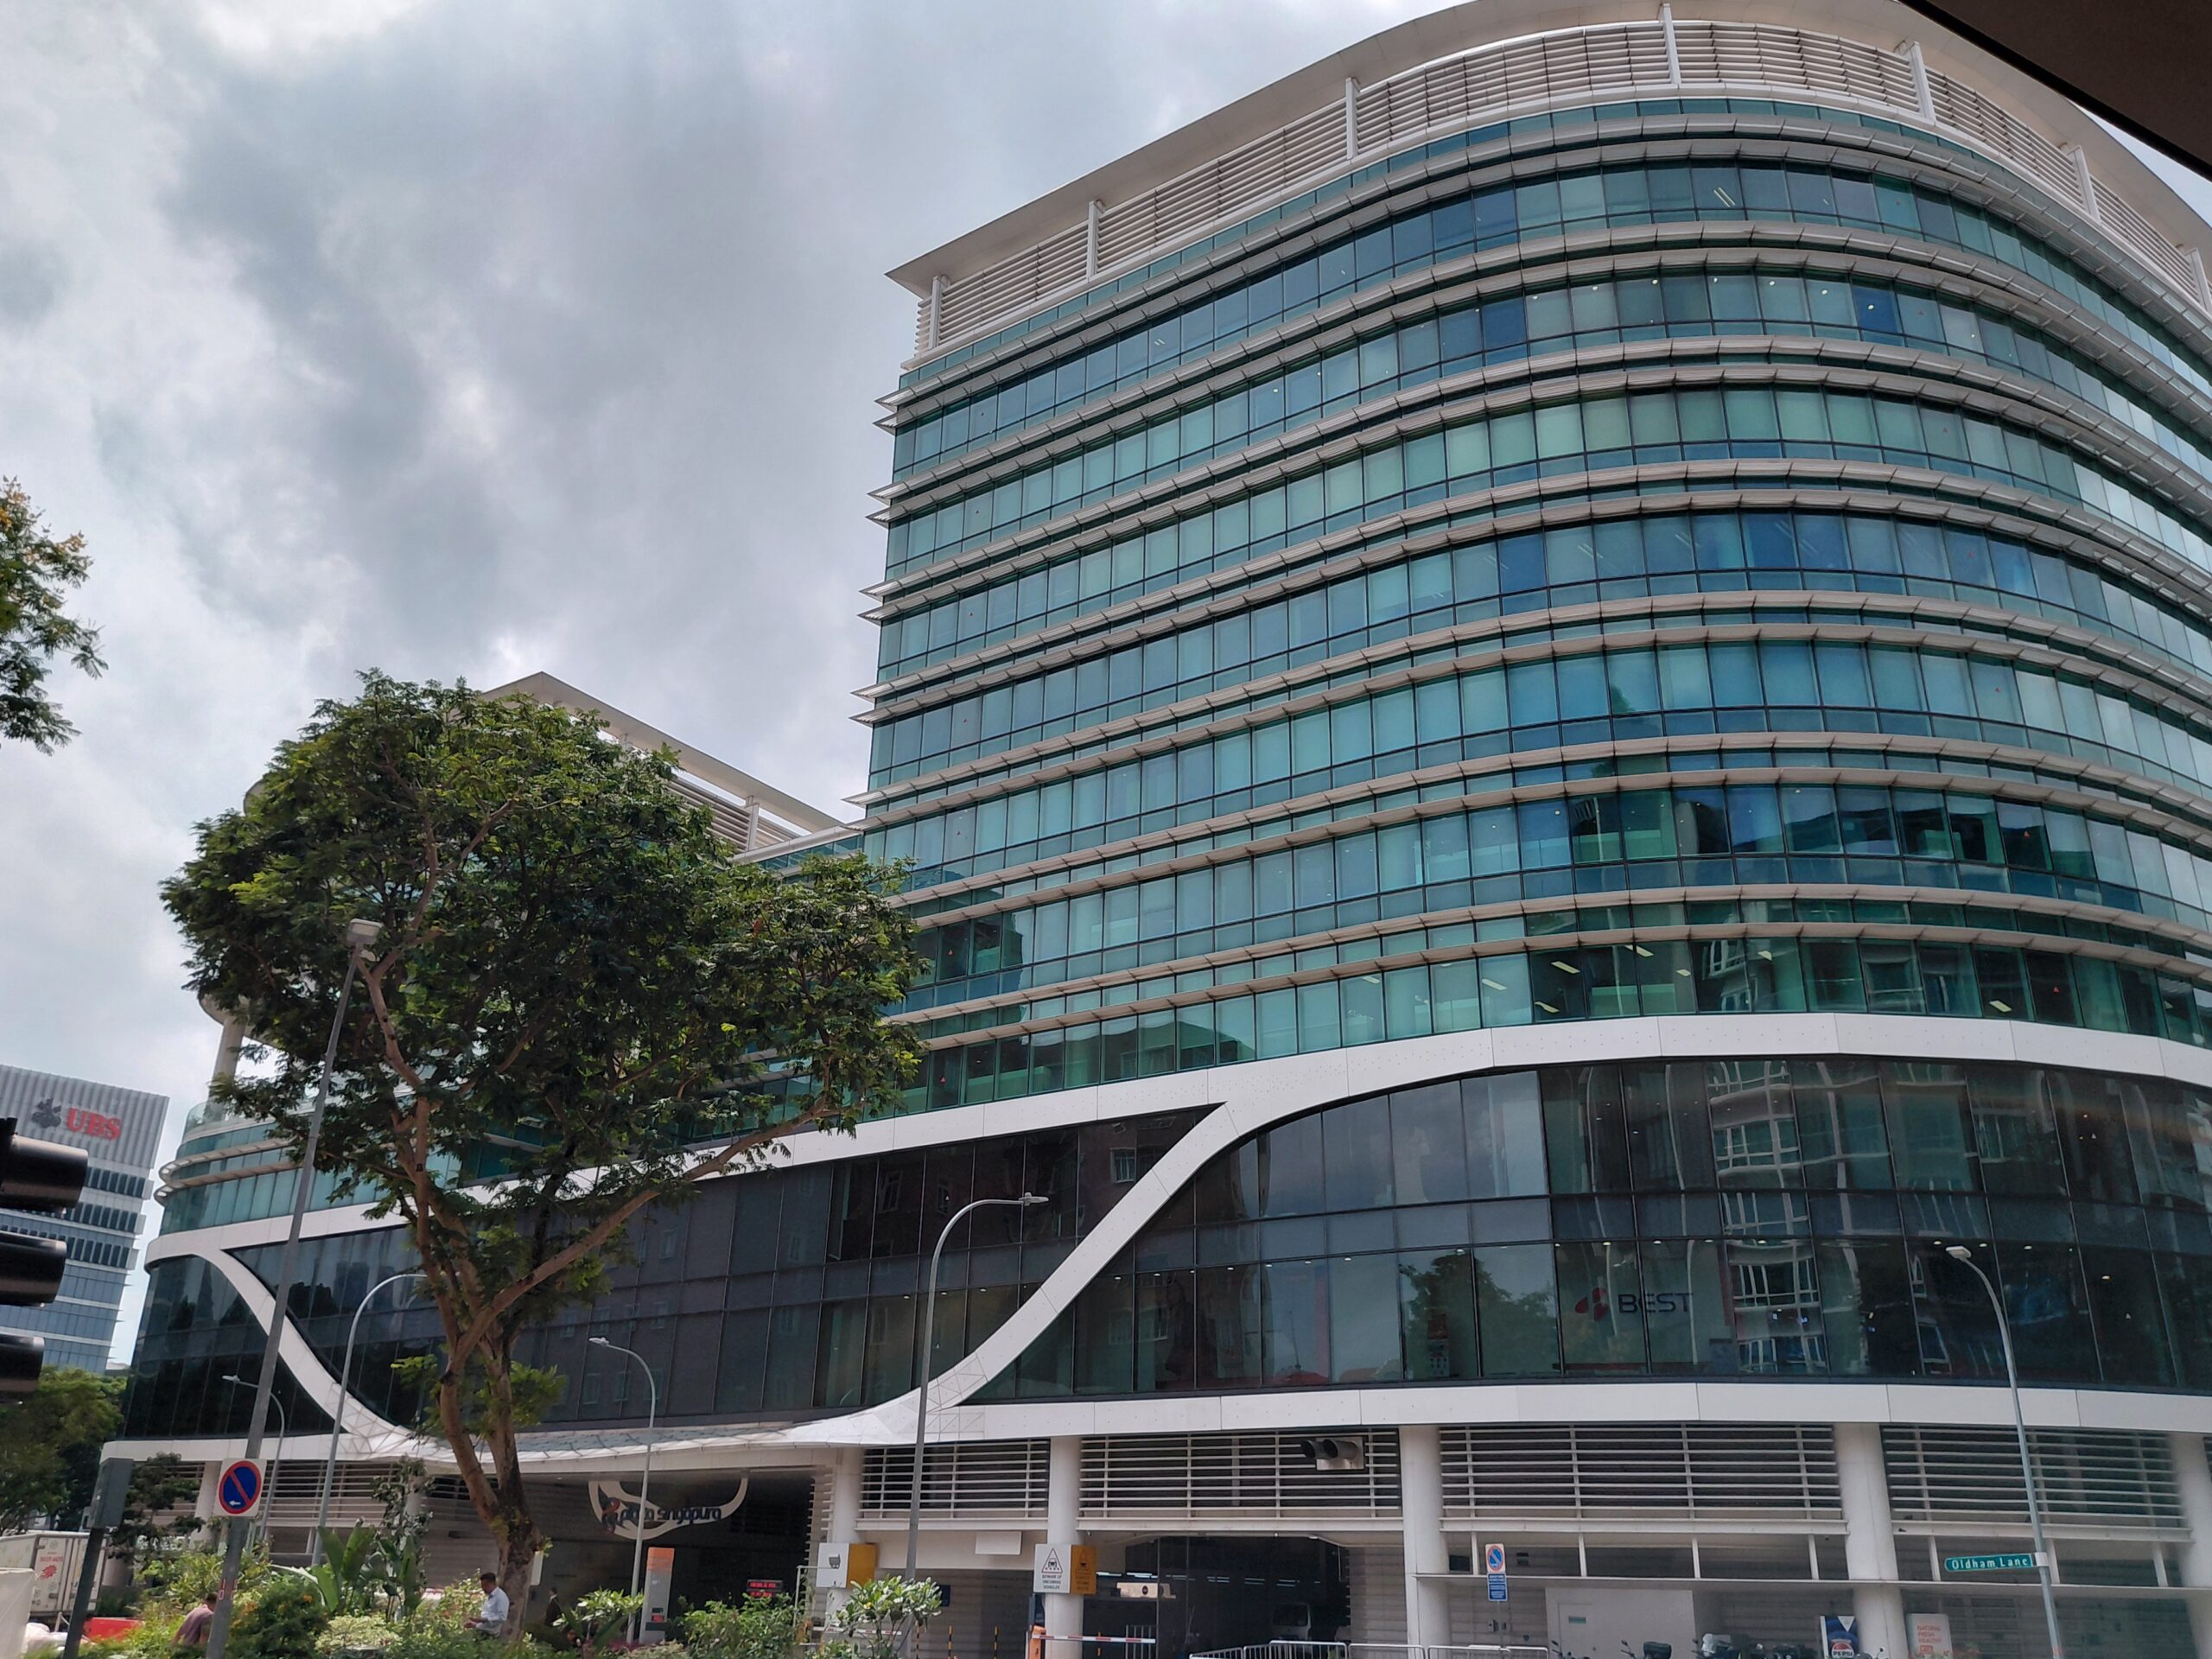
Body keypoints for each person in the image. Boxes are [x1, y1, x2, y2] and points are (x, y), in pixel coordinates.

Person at [471, 1573, 510, 1637]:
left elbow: (502, 1618)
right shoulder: (490, 1597)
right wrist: (476, 1623)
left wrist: (484, 1620)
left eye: (486, 1586)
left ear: (493, 1583)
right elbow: (488, 1614)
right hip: (482, 1631)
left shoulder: (500, 1597)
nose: (483, 1588)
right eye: (482, 1586)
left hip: (490, 1634)